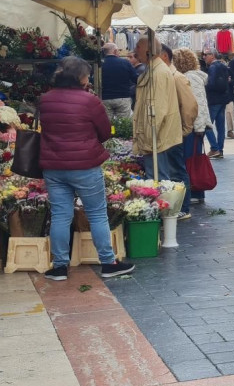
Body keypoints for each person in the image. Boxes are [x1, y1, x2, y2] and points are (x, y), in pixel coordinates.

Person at [40, 56, 135, 281]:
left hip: (53, 166)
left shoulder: (45, 99)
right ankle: (108, 263)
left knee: (61, 215)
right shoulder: (89, 101)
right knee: (96, 214)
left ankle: (60, 266)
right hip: (85, 166)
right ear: (81, 77)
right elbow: (104, 132)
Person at [132, 35, 183, 181]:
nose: (136, 51)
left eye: (138, 47)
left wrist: (148, 138)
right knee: (158, 177)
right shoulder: (155, 70)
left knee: (158, 179)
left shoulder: (158, 73)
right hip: (155, 137)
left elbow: (158, 109)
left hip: (156, 138)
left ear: (148, 50)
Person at [161, 46, 199, 218]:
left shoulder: (177, 77)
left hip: (175, 132)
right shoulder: (167, 76)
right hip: (169, 132)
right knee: (174, 169)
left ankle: (183, 207)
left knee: (177, 169)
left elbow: (190, 106)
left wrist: (185, 129)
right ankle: (178, 205)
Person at [173, 48, 213, 205]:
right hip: (194, 126)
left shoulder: (190, 77)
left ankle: (195, 191)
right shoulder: (191, 76)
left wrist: (199, 127)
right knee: (192, 158)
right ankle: (196, 191)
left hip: (193, 127)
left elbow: (198, 104)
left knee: (191, 160)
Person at [203, 50, 230, 158]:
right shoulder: (224, 66)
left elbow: (211, 83)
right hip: (223, 99)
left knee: (207, 125)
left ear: (212, 56)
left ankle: (214, 148)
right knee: (220, 126)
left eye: (206, 55)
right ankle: (220, 149)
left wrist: (204, 86)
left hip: (213, 100)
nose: (204, 57)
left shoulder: (213, 67)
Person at [100, 42, 138, 118]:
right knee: (123, 124)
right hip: (123, 97)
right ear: (115, 51)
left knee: (108, 124)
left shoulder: (100, 64)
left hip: (105, 98)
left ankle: (111, 130)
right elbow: (135, 79)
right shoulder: (125, 63)